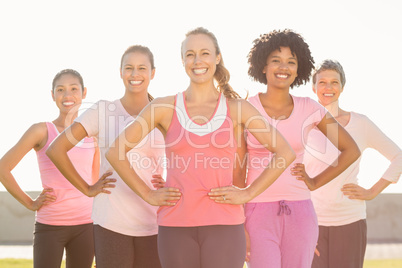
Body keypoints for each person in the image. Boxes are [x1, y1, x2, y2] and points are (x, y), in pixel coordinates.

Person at [105, 27, 296, 268]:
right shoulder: (163, 107)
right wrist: (148, 194)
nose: (197, 61)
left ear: (217, 58)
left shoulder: (237, 108)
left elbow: (285, 152)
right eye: (190, 54)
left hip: (225, 226)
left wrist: (247, 193)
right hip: (175, 226)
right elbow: (115, 151)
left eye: (205, 53)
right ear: (183, 60)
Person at [242, 30, 361, 268]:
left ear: (299, 70)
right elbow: (236, 167)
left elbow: (351, 150)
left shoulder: (309, 108)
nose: (283, 67)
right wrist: (238, 220)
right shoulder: (245, 108)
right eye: (276, 60)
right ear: (263, 66)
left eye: (291, 62)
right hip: (256, 212)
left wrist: (315, 182)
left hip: (301, 212)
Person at [46, 46, 164, 268]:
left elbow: (184, 155)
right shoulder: (103, 110)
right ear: (120, 72)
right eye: (129, 68)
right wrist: (87, 188)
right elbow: (56, 149)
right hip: (111, 221)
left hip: (154, 221)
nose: (135, 74)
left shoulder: (164, 112)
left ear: (153, 72)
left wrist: (172, 183)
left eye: (142, 68)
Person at [0, 69, 113, 268]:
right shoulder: (41, 131)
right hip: (50, 225)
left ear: (84, 93)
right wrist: (30, 203)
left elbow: (95, 183)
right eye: (60, 90)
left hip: (86, 226)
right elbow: (3, 168)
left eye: (73, 89)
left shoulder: (92, 135)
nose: (67, 95)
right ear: (52, 95)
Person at [303, 59, 402, 268]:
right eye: (322, 82)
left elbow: (398, 157)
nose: (328, 88)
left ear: (342, 87)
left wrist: (372, 191)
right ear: (313, 87)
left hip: (350, 219)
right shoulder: (304, 125)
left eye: (334, 82)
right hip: (312, 221)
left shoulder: (361, 123)